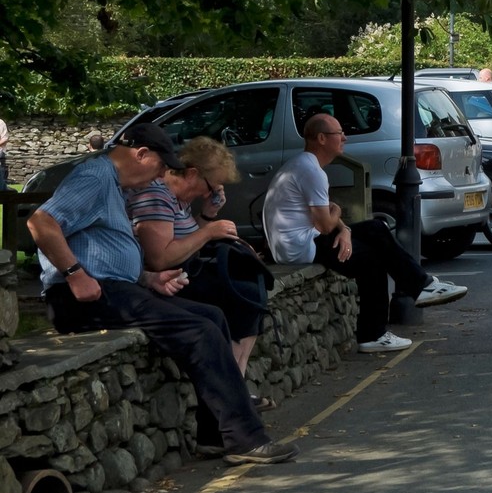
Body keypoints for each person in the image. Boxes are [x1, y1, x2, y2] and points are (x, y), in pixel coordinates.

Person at [26, 124, 296, 465]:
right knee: (199, 331)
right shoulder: (95, 176)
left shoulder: (113, 183)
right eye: (160, 165)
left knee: (211, 315)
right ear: (141, 154)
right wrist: (75, 274)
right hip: (82, 297)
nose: (162, 174)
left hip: (115, 288)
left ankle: (213, 437)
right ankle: (246, 439)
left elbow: (103, 248)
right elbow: (41, 222)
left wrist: (148, 278)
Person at [263, 114, 467, 353]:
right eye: (339, 133)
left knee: (375, 228)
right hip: (300, 247)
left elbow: (327, 217)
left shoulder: (304, 165)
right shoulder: (311, 171)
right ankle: (377, 331)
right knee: (372, 258)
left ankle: (420, 288)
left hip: (302, 241)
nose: (344, 138)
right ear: (321, 138)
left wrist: (344, 229)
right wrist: (337, 214)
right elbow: (326, 224)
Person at [128, 137, 268, 388]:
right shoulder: (157, 196)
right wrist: (209, 232)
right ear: (192, 174)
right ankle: (233, 385)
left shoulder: (179, 198)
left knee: (252, 289)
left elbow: (186, 239)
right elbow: (160, 259)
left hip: (186, 271)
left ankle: (236, 381)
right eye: (211, 186)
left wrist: (207, 214)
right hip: (165, 281)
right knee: (244, 296)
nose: (209, 193)